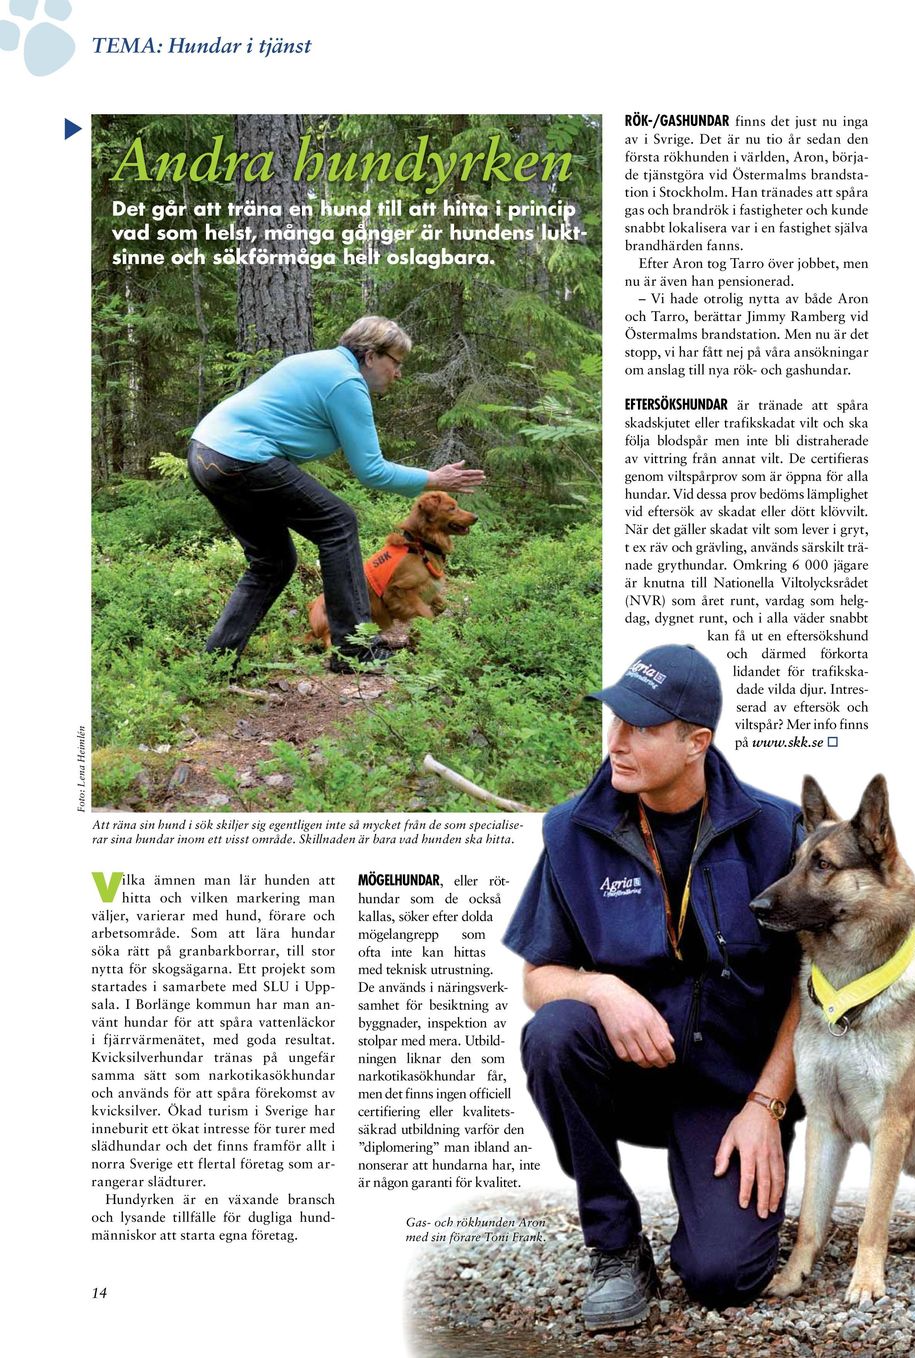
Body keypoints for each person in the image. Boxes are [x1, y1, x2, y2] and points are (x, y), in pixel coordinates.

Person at [503, 644, 803, 1329]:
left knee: (723, 1278)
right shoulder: (572, 830)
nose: (618, 743)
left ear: (698, 742)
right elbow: (538, 979)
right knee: (554, 1032)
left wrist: (767, 1104)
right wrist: (603, 991)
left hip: (732, 1089)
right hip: (630, 1078)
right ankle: (614, 1245)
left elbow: (811, 987)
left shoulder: (776, 831)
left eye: (642, 728)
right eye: (616, 722)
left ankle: (706, 1209)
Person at [186, 316, 485, 671]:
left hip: (205, 453)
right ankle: (354, 650)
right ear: (371, 356)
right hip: (241, 456)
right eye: (396, 362)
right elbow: (371, 470)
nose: (398, 373)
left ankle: (215, 664)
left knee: (273, 562)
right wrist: (433, 478)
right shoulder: (346, 382)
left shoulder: (316, 363)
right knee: (338, 522)